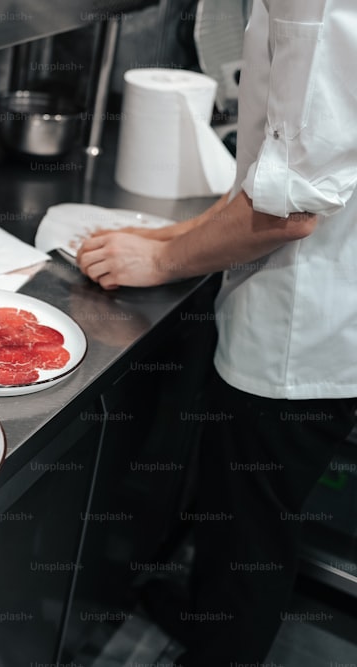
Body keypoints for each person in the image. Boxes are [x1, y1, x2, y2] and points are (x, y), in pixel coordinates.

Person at [76, 1, 357, 665]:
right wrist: (166, 233)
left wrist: (162, 259)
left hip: (301, 331)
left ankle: (220, 647)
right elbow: (280, 161)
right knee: (241, 514)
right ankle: (208, 619)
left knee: (251, 534)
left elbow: (289, 208)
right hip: (318, 307)